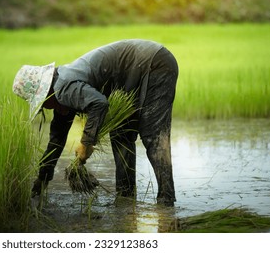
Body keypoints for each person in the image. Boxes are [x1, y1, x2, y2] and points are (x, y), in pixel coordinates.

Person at [12, 39, 178, 206]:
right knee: (120, 135)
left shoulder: (63, 88)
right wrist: (42, 178)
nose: (44, 107)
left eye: (42, 104)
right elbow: (56, 140)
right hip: (134, 74)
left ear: (46, 92)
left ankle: (166, 200)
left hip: (154, 63)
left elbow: (99, 104)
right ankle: (125, 198)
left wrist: (86, 143)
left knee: (153, 135)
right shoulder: (62, 95)